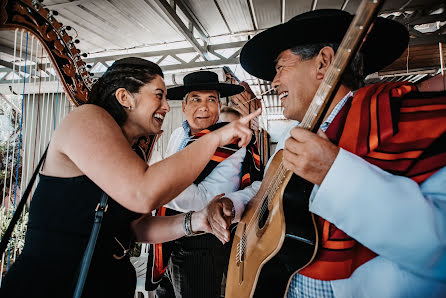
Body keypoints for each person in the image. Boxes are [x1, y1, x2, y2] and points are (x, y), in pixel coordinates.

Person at [206, 9, 446, 298]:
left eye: (281, 67)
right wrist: (233, 201)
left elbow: (438, 249)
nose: (273, 82)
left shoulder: (410, 121)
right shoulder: (294, 136)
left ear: (322, 64)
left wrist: (334, 173)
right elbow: (270, 189)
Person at [0, 57, 260, 298]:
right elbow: (143, 194)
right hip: (52, 285)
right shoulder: (86, 118)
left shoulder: (132, 149)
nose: (166, 107)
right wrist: (216, 137)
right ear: (125, 97)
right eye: (159, 96)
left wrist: (196, 220)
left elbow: (135, 227)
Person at [150, 70, 262, 298]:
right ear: (183, 106)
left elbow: (206, 200)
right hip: (167, 237)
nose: (204, 107)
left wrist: (153, 181)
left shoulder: (232, 141)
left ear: (219, 106)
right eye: (196, 99)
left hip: (200, 246)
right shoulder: (177, 135)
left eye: (211, 100)